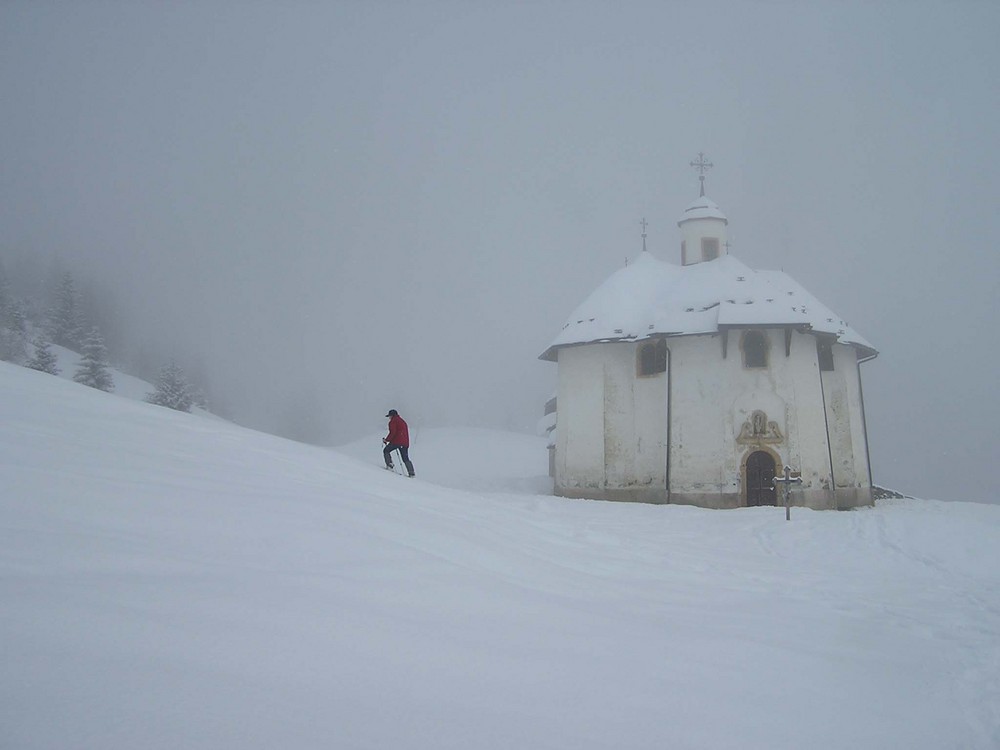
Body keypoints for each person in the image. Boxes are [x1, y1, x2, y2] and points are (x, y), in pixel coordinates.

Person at [383, 409, 415, 477]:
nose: (389, 418)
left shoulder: (393, 421)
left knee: (386, 450)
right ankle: (411, 472)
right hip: (405, 443)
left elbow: (393, 432)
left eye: (389, 416)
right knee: (405, 458)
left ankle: (390, 465)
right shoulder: (402, 421)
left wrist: (386, 440)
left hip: (396, 441)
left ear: (392, 416)